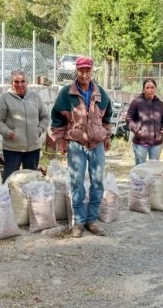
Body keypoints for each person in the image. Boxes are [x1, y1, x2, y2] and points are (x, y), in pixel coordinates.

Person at [50, 56, 112, 238]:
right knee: (77, 183)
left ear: (92, 72)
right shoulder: (66, 94)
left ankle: (91, 220)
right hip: (76, 144)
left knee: (98, 182)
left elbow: (107, 118)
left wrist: (107, 136)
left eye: (88, 70)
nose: (84, 74)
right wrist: (61, 140)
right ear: (76, 71)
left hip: (97, 144)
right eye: (81, 70)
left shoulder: (101, 93)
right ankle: (78, 222)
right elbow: (57, 119)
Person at [0, 69, 50, 181]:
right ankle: (9, 198)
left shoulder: (34, 96)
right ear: (11, 83)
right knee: (10, 180)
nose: (20, 84)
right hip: (12, 149)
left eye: (23, 81)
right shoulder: (5, 98)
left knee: (31, 180)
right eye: (16, 81)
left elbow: (45, 117)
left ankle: (27, 199)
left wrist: (39, 131)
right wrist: (8, 133)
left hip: (33, 148)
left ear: (27, 82)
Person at [125, 78, 163, 165]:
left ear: (155, 89)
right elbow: (128, 118)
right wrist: (138, 131)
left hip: (157, 142)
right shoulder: (136, 102)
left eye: (152, 87)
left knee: (154, 168)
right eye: (147, 88)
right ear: (143, 89)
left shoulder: (160, 104)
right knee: (140, 169)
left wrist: (162, 130)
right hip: (141, 142)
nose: (150, 90)